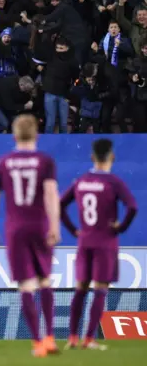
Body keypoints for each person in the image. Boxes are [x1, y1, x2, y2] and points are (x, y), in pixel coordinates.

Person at [0, 114, 61, 357]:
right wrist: (55, 226)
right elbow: (51, 194)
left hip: (15, 228)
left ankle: (37, 343)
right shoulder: (45, 161)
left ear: (14, 135)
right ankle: (50, 337)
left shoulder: (3, 162)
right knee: (45, 280)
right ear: (37, 134)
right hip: (39, 224)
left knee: (26, 285)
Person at [60, 138, 138, 350]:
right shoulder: (113, 182)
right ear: (112, 156)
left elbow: (59, 205)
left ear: (92, 157)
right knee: (100, 289)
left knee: (80, 288)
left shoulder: (81, 181)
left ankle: (72, 338)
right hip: (105, 241)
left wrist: (74, 230)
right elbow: (132, 207)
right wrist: (119, 228)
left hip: (85, 240)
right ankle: (89, 339)